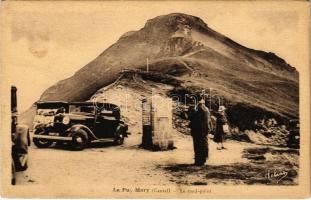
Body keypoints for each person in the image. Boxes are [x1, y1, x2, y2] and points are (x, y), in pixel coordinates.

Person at [188, 98, 211, 166]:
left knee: (198, 145)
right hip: (204, 131)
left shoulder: (199, 110)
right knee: (204, 145)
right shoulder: (206, 110)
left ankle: (199, 161)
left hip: (198, 131)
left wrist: (192, 111)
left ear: (198, 103)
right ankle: (203, 159)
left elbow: (194, 120)